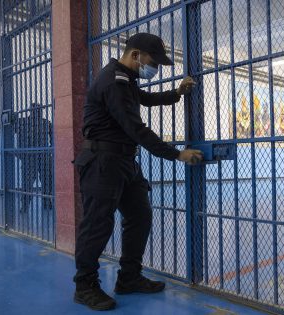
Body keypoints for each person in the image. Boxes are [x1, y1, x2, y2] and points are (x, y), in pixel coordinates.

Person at [72, 33, 203, 311]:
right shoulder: (113, 81)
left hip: (124, 162)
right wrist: (177, 154)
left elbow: (143, 98)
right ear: (135, 55)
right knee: (97, 226)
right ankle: (85, 286)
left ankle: (129, 278)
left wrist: (176, 94)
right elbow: (136, 129)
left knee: (139, 216)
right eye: (152, 62)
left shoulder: (126, 80)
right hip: (102, 162)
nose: (153, 68)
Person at [14, 103, 53, 211]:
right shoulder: (22, 122)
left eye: (40, 110)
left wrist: (50, 150)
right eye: (37, 110)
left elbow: (54, 138)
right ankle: (27, 205)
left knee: (46, 180)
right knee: (30, 182)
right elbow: (9, 131)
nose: (39, 112)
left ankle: (44, 202)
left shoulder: (45, 123)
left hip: (40, 156)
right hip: (33, 156)